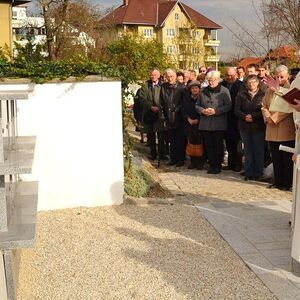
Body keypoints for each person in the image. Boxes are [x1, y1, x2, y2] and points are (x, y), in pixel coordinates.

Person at [261, 65, 295, 190]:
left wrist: (274, 118)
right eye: (277, 76)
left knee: (286, 159)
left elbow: (289, 108)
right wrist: (267, 116)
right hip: (271, 128)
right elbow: (263, 104)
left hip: (285, 128)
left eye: (282, 76)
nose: (279, 79)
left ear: (287, 77)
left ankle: (287, 183)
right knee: (275, 157)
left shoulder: (290, 89)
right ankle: (278, 181)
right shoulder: (269, 90)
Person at [195, 71, 232, 174]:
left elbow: (228, 105)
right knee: (208, 145)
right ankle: (211, 165)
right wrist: (202, 110)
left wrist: (216, 111)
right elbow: (197, 105)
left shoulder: (224, 90)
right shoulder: (202, 91)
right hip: (205, 123)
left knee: (218, 145)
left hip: (218, 123)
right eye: (209, 80)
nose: (211, 82)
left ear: (218, 80)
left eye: (213, 80)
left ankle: (217, 165)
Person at [235, 75, 266, 181]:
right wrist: (244, 117)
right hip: (244, 126)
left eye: (253, 82)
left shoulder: (263, 95)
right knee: (248, 150)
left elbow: (264, 110)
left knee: (258, 150)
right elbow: (236, 110)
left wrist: (254, 117)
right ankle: (248, 172)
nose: (251, 84)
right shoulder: (241, 95)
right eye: (249, 82)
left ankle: (258, 172)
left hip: (258, 126)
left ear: (258, 83)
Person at [160, 68, 186, 167]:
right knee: (171, 140)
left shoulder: (182, 88)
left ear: (175, 76)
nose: (170, 79)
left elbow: (184, 103)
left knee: (180, 140)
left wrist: (177, 110)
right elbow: (161, 102)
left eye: (172, 76)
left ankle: (181, 159)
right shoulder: (163, 87)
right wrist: (163, 116)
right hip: (168, 117)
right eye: (168, 77)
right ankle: (173, 158)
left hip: (179, 118)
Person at [140, 69, 166, 161]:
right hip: (149, 114)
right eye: (151, 75)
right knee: (151, 135)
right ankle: (153, 154)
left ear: (158, 75)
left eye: (155, 75)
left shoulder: (163, 85)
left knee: (161, 135)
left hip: (160, 114)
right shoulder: (145, 85)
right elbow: (142, 99)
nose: (153, 76)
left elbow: (165, 98)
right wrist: (151, 107)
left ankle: (162, 154)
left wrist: (160, 108)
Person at [221, 67, 243, 171]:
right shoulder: (222, 84)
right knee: (229, 142)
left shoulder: (241, 85)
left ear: (236, 75)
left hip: (237, 118)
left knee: (237, 143)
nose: (229, 77)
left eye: (231, 75)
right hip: (226, 118)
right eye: (227, 75)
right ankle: (230, 163)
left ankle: (238, 164)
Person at [182, 80, 204, 169]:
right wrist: (188, 119)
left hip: (200, 124)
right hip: (189, 124)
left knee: (200, 143)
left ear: (199, 89)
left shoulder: (202, 98)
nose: (194, 90)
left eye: (196, 88)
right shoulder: (187, 99)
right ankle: (192, 162)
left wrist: (198, 120)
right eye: (192, 88)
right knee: (190, 143)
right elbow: (183, 111)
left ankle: (200, 162)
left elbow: (203, 109)